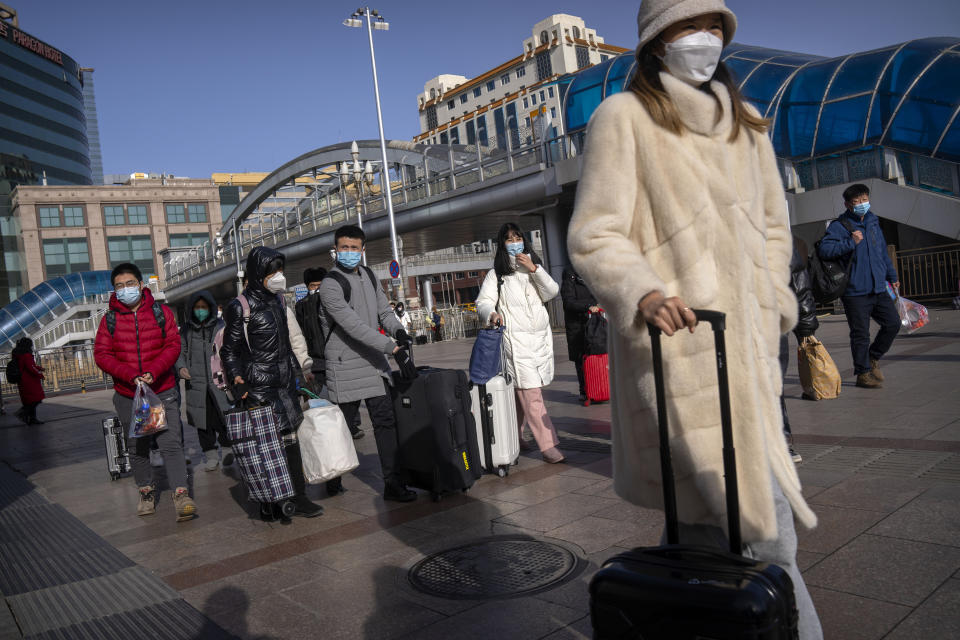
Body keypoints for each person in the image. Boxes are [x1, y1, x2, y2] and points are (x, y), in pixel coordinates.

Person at [567, 1, 821, 637]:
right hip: (679, 350)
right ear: (657, 42)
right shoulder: (623, 118)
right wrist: (644, 292)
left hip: (753, 349)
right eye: (688, 27)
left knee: (709, 534)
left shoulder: (748, 125)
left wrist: (772, 302)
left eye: (714, 28)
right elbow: (595, 234)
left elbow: (773, 227)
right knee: (763, 533)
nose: (704, 40)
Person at [220, 247, 324, 520]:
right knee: (264, 446)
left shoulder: (278, 302)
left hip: (284, 383)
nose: (278, 276)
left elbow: (287, 344)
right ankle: (269, 501)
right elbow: (229, 350)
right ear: (258, 273)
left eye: (280, 270)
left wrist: (299, 374)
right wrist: (238, 379)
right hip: (257, 387)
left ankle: (298, 497)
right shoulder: (239, 306)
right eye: (272, 271)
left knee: (290, 441)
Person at [319, 224, 416, 502]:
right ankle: (331, 475)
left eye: (354, 248)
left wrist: (398, 330)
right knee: (343, 428)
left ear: (363, 250)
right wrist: (392, 347)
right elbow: (353, 326)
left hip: (373, 366)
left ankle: (393, 483)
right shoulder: (330, 285)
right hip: (345, 365)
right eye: (344, 247)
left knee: (386, 423)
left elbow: (383, 311)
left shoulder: (370, 275)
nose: (349, 252)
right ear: (335, 250)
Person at [94, 263, 197, 522]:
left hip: (161, 389)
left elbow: (173, 345)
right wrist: (130, 375)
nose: (125, 289)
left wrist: (154, 370)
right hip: (128, 393)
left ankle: (181, 494)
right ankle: (146, 491)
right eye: (119, 286)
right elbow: (102, 355)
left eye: (130, 284)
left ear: (140, 285)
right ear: (114, 290)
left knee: (170, 443)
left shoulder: (160, 312)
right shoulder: (110, 320)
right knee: (137, 446)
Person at [476, 222, 564, 463]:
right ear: (502, 244)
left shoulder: (533, 269)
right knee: (531, 393)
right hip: (514, 341)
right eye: (509, 239)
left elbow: (552, 292)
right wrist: (491, 314)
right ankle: (548, 445)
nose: (514, 242)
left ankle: (513, 436)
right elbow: (483, 301)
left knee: (520, 394)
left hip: (539, 339)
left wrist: (535, 269)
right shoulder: (498, 274)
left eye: (517, 237)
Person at [818, 183, 900, 389]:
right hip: (855, 291)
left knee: (893, 324)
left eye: (864, 199)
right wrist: (850, 243)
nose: (862, 204)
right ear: (847, 204)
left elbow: (882, 251)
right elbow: (825, 251)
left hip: (878, 287)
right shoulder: (840, 226)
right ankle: (863, 374)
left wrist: (892, 275)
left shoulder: (873, 221)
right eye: (857, 202)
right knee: (860, 333)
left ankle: (873, 357)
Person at [177, 291, 233, 472]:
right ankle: (209, 454)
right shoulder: (186, 330)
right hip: (196, 383)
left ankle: (226, 449)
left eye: (204, 307)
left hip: (219, 380)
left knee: (223, 417)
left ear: (210, 308)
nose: (200, 311)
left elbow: (229, 349)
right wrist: (181, 368)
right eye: (197, 307)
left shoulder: (220, 326)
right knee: (202, 421)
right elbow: (180, 352)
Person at [781, 237, 820, 463]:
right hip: (727, 323)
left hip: (770, 320)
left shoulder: (766, 220)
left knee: (772, 384)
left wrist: (806, 325)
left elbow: (797, 276)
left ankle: (782, 441)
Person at [560, 266, 600, 403]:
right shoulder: (570, 274)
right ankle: (585, 391)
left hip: (595, 323)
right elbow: (568, 302)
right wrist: (589, 305)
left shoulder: (594, 273)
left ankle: (600, 389)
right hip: (577, 325)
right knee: (581, 359)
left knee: (599, 356)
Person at [12, 338, 44, 425]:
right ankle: (22, 414)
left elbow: (29, 366)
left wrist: (39, 368)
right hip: (29, 381)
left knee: (30, 401)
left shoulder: (18, 354)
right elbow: (30, 367)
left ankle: (31, 419)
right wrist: (40, 374)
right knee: (36, 400)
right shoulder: (26, 355)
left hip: (23, 381)